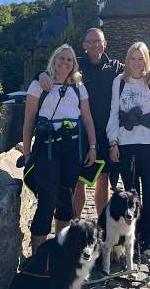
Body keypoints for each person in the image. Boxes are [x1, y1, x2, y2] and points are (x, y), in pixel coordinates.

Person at [38, 28, 150, 217]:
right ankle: (76, 224)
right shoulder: (77, 66)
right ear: (84, 44)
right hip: (80, 133)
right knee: (78, 182)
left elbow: (138, 69)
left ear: (105, 44)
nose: (95, 44)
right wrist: (41, 75)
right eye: (91, 41)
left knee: (102, 181)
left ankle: (102, 227)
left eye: (99, 41)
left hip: (104, 133)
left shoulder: (115, 67)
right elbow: (55, 71)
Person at [24, 44, 97, 254]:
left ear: (74, 64)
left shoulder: (78, 86)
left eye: (69, 59)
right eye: (61, 58)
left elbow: (88, 118)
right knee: (47, 201)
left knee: (66, 199)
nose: (65, 63)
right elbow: (29, 120)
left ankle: (60, 251)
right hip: (47, 149)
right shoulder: (39, 85)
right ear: (54, 61)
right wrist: (27, 152)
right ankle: (38, 257)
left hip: (72, 149)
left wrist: (92, 147)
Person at [107, 41, 150, 258]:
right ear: (127, 60)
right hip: (125, 145)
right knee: (132, 195)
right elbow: (114, 112)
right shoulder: (119, 82)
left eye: (140, 58)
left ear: (146, 60)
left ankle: (148, 238)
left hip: (147, 145)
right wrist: (113, 142)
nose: (136, 63)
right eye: (132, 58)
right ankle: (136, 237)